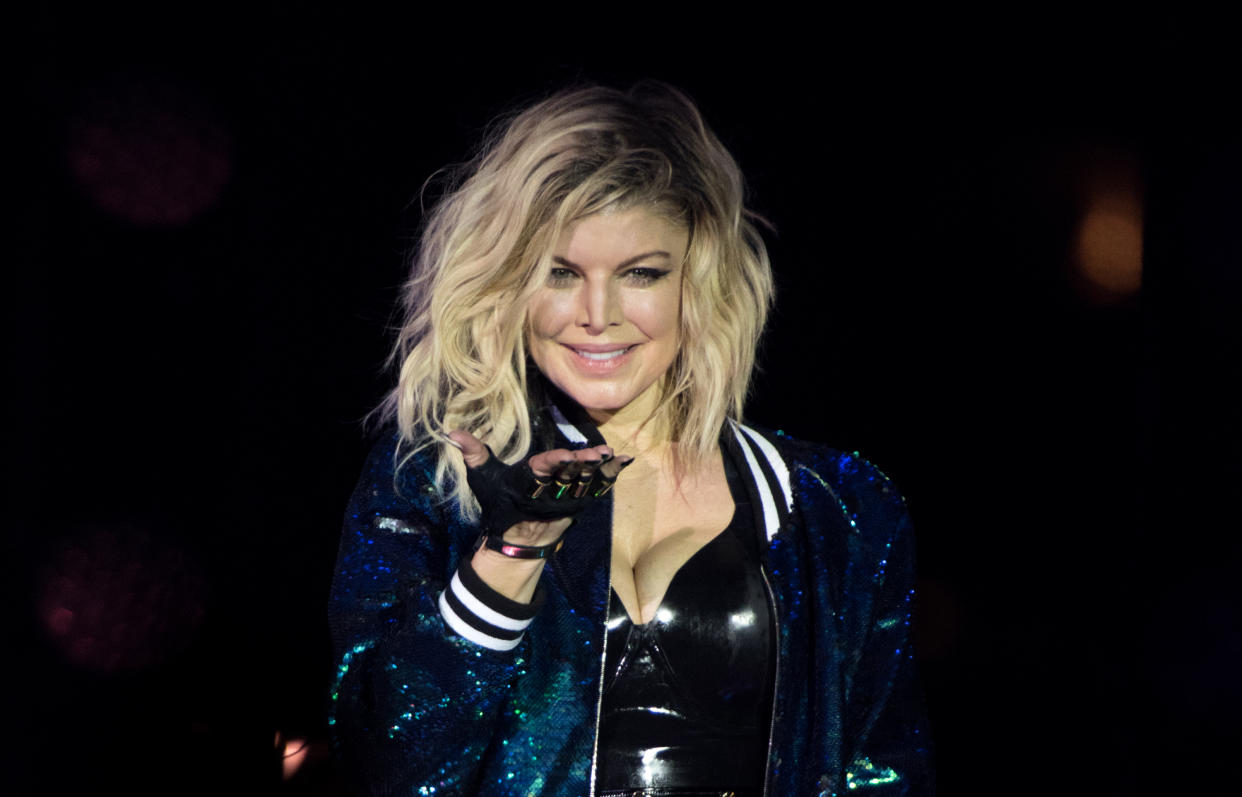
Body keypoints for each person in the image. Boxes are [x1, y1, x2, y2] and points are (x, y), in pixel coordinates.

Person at [328, 82, 933, 796]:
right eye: (560, 273)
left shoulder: (840, 507)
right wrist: (511, 551)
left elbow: (884, 771)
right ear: (507, 287)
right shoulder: (430, 484)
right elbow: (385, 765)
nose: (597, 314)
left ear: (699, 284)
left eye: (641, 274)